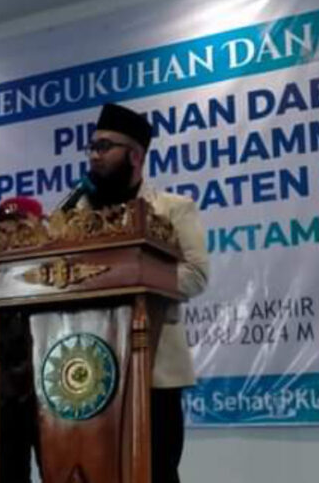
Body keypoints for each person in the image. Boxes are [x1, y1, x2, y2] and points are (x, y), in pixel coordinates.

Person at [79, 102, 209, 483]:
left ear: (135, 156)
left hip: (154, 372)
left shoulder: (173, 209)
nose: (95, 155)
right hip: (88, 368)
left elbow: (196, 275)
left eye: (105, 147)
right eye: (92, 147)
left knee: (156, 472)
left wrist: (131, 277)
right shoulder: (75, 216)